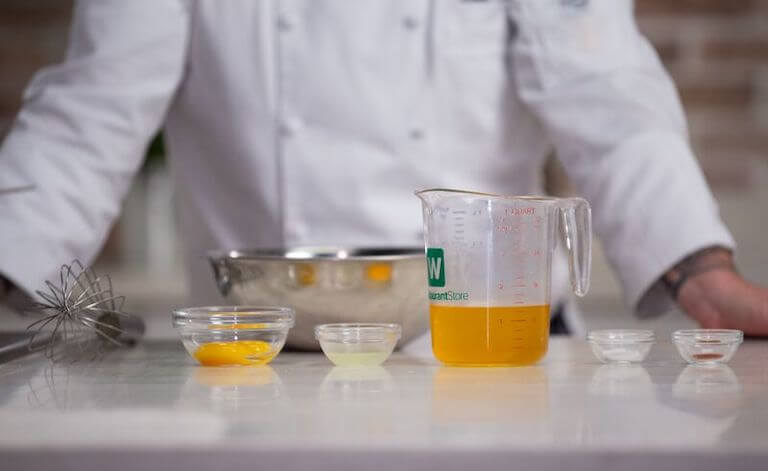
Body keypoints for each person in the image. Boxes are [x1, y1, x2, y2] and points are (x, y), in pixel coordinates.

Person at [0, 0, 766, 335]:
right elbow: (92, 108)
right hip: (269, 357)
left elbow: (607, 93)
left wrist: (700, 269)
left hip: (488, 351)